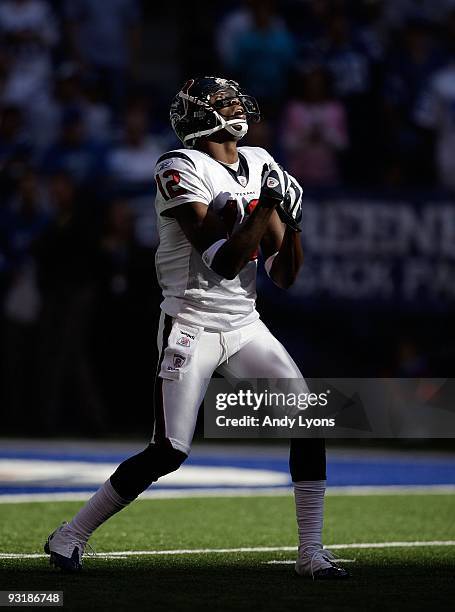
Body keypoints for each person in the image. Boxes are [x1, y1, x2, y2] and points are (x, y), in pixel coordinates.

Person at [44, 76, 348, 580]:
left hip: (245, 322)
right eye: (224, 101)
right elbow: (222, 261)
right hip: (191, 321)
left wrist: (291, 226)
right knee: (170, 450)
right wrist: (268, 207)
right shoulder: (179, 166)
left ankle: (310, 552)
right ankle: (71, 533)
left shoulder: (260, 161)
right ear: (199, 117)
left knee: (307, 421)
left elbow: (284, 276)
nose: (237, 105)